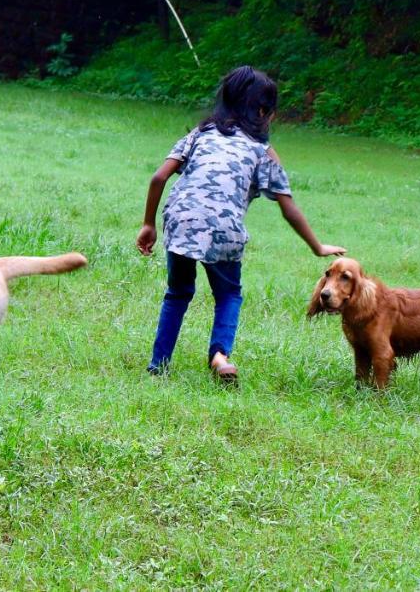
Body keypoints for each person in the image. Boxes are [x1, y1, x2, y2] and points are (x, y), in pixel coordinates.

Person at [136, 66, 346, 380]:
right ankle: (220, 356)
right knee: (229, 295)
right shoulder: (263, 151)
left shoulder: (201, 133)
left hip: (181, 221)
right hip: (225, 231)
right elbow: (288, 208)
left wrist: (148, 224)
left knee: (178, 292)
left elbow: (158, 177)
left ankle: (158, 365)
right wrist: (318, 246)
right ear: (263, 112)